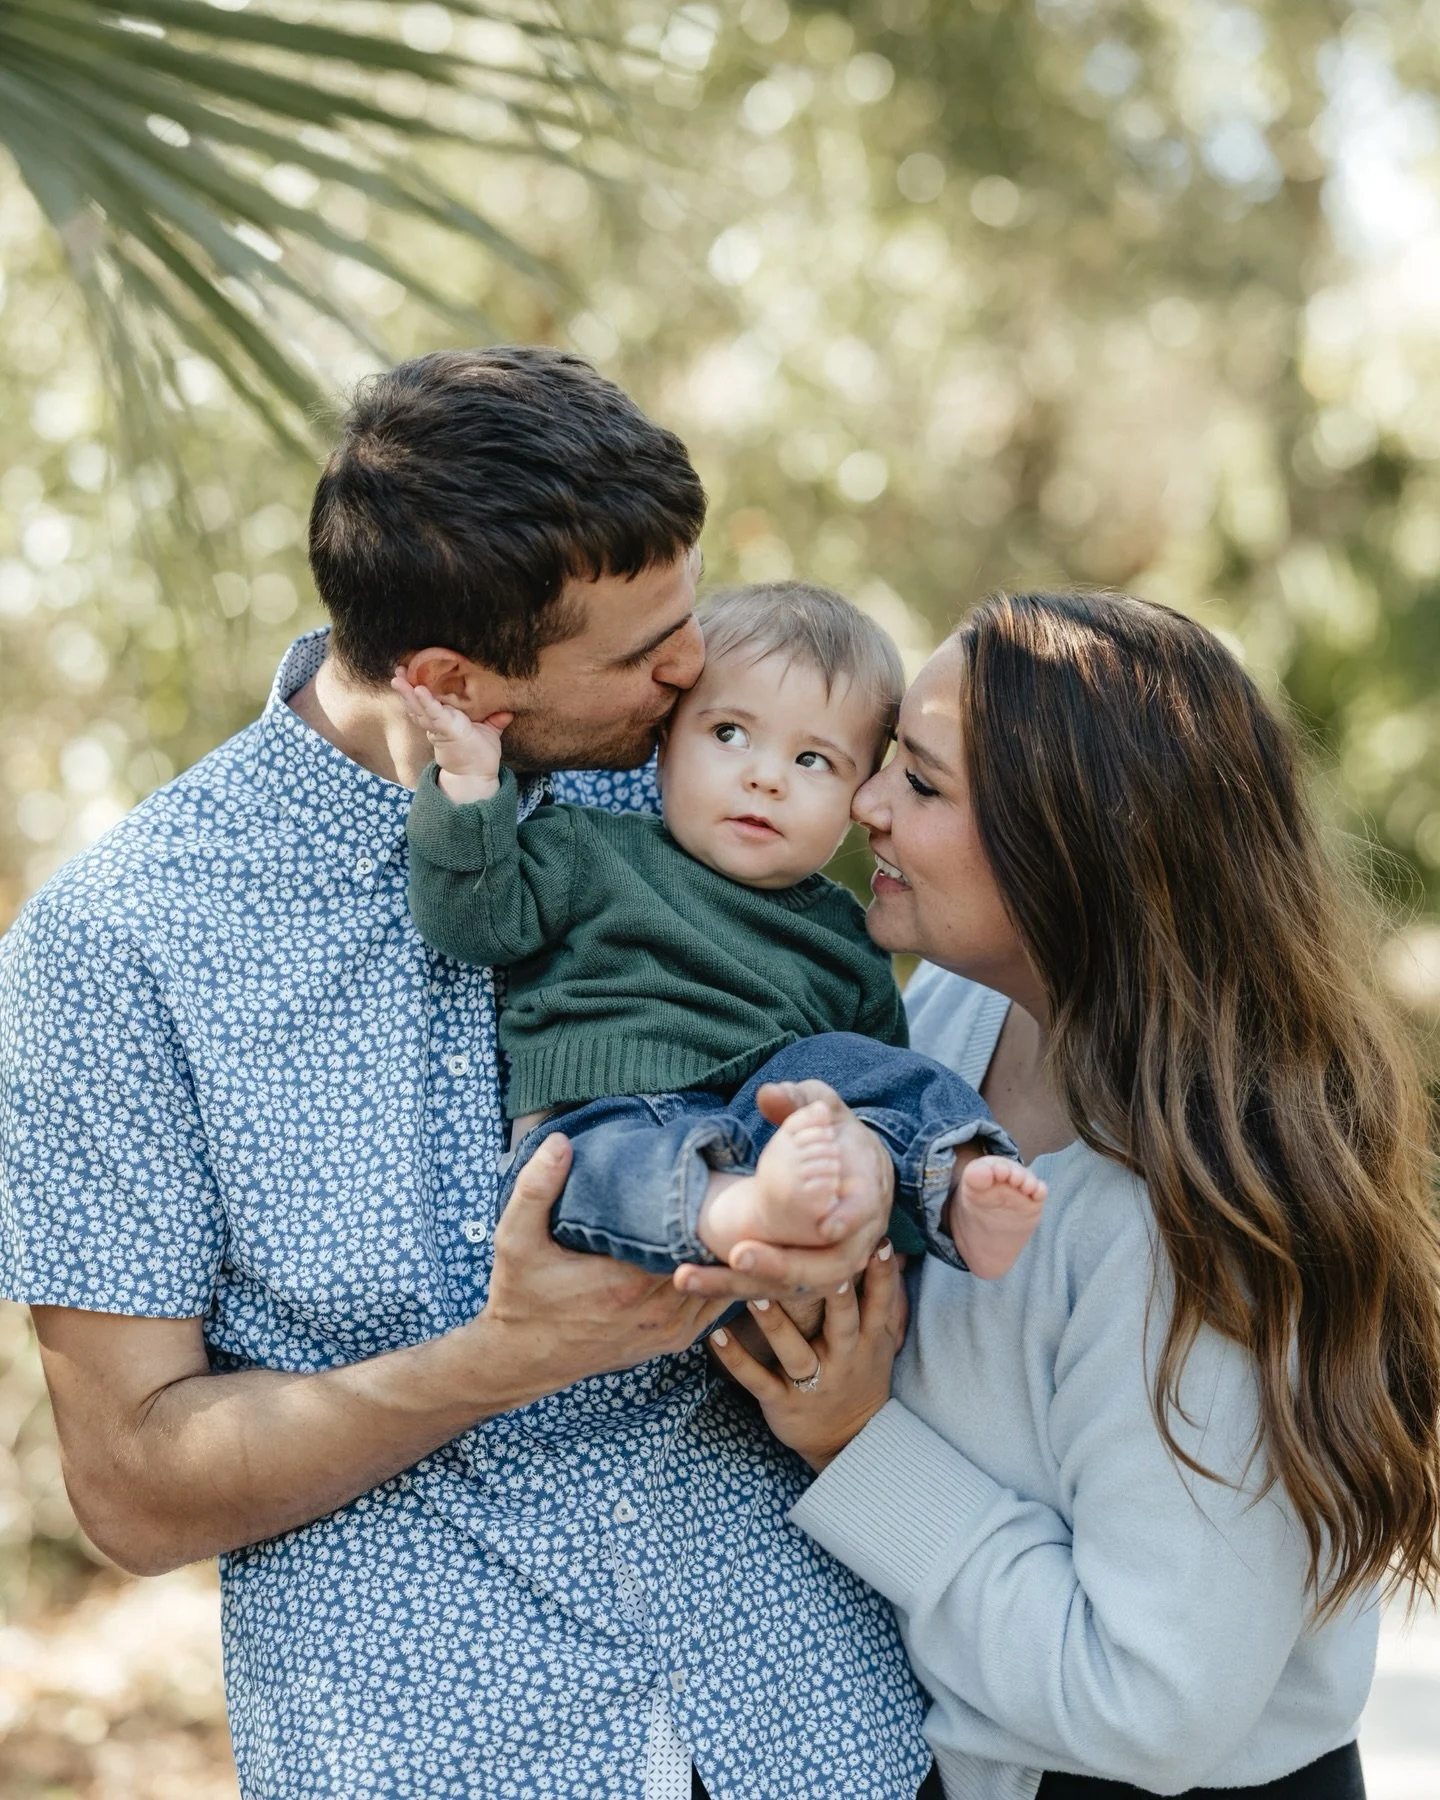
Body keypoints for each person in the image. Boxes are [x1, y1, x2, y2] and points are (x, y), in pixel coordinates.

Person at [0, 348, 934, 1799]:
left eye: (684, 621)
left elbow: (913, 1003)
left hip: (821, 1726)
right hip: (439, 1752)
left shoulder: (714, 772)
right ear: (451, 685)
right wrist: (502, 1361)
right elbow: (132, 1483)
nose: (692, 676)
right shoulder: (126, 945)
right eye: (642, 658)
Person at [707, 590, 1440, 1800]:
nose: (867, 802)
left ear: (1074, 856)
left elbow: (1149, 1707)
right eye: (888, 762)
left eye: (924, 786)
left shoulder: (1204, 1227)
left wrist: (855, 1442)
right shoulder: (952, 1026)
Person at [397, 580, 1046, 1280]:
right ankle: (736, 1210)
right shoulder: (586, 849)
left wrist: (867, 1182)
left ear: (860, 795)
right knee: (585, 1169)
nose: (766, 778)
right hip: (604, 1115)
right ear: (665, 745)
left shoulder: (847, 938)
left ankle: (955, 1186)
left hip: (774, 1134)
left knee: (882, 1072)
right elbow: (474, 922)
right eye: (730, 735)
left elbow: (876, 1091)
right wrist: (468, 779)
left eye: (813, 761)